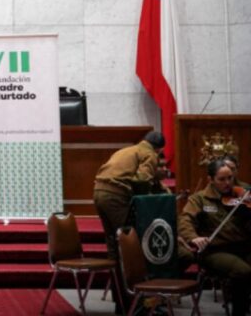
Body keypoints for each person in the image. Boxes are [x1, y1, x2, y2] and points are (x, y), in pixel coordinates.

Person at [92, 130, 167, 313]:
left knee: (114, 248)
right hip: (116, 196)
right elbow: (141, 180)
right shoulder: (150, 154)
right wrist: (152, 191)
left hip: (99, 193)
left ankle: (120, 301)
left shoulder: (127, 150)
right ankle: (133, 303)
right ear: (158, 150)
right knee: (128, 248)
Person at [178, 158, 251, 316]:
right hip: (215, 250)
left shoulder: (242, 195)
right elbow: (185, 220)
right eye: (221, 179)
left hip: (243, 246)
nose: (228, 183)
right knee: (243, 272)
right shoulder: (199, 199)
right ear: (210, 179)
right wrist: (193, 237)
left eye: (230, 178)